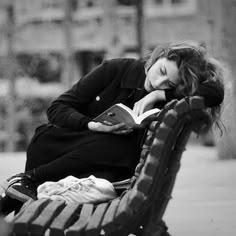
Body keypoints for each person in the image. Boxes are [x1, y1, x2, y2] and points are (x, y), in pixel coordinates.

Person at [0, 41, 225, 214]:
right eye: (162, 73)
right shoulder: (117, 69)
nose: (157, 83)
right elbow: (58, 108)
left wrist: (160, 95)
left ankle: (22, 188)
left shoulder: (164, 95)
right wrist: (91, 124)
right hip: (63, 147)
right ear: (160, 55)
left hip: (106, 168)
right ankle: (24, 187)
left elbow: (215, 92)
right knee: (50, 136)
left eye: (169, 85)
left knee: (122, 146)